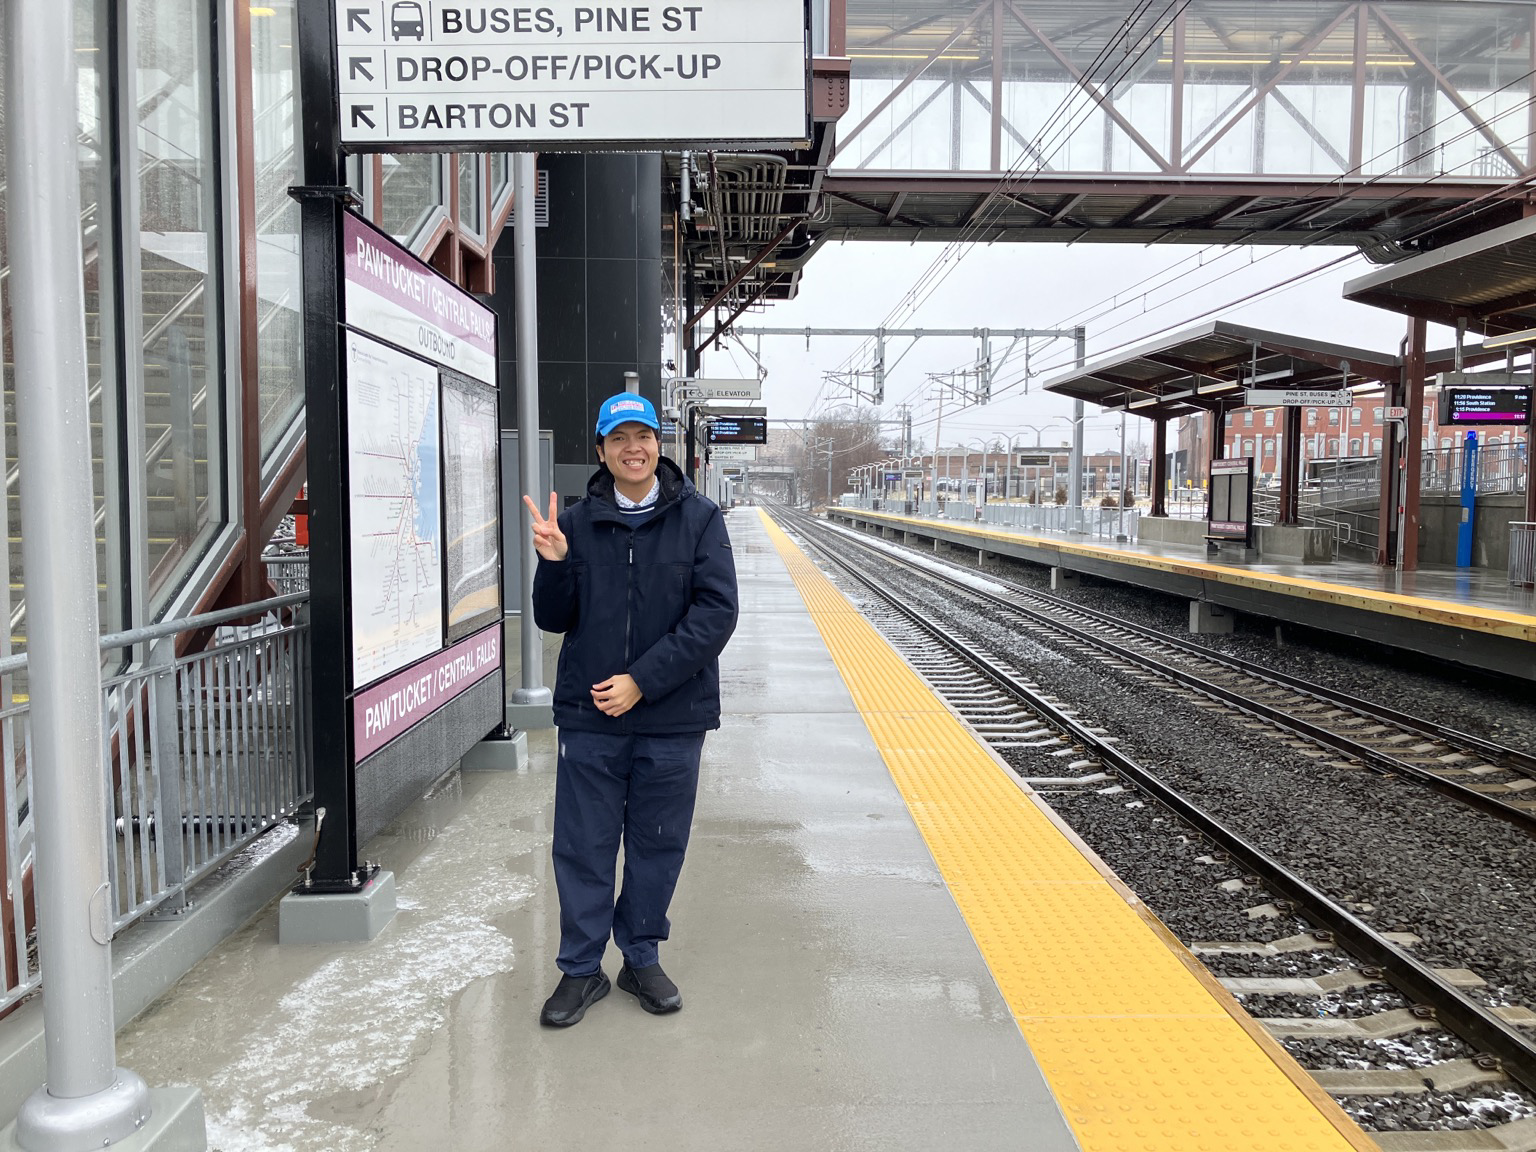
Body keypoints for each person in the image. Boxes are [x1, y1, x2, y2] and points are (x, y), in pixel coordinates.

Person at [524, 392, 739, 1027]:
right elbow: (552, 618)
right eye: (618, 439)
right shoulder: (577, 523)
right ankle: (580, 969)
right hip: (590, 716)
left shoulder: (700, 519)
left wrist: (643, 681)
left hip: (673, 717)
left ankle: (640, 956)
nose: (632, 448)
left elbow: (716, 614)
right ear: (601, 451)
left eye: (642, 436)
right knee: (583, 845)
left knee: (657, 843)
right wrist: (554, 564)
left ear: (657, 445)